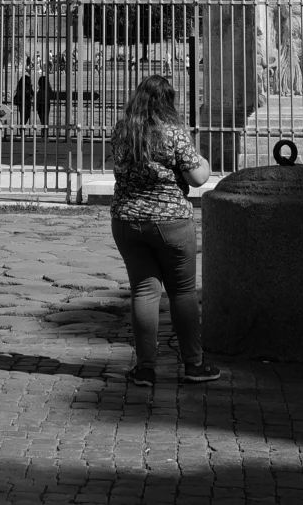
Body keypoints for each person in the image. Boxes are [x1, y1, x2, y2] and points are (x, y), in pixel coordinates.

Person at [107, 73, 220, 387]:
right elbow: (198, 178)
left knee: (144, 292)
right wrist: (206, 162)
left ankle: (145, 368)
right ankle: (193, 365)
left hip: (127, 219)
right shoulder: (174, 133)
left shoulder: (121, 131)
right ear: (168, 101)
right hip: (170, 220)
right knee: (182, 293)